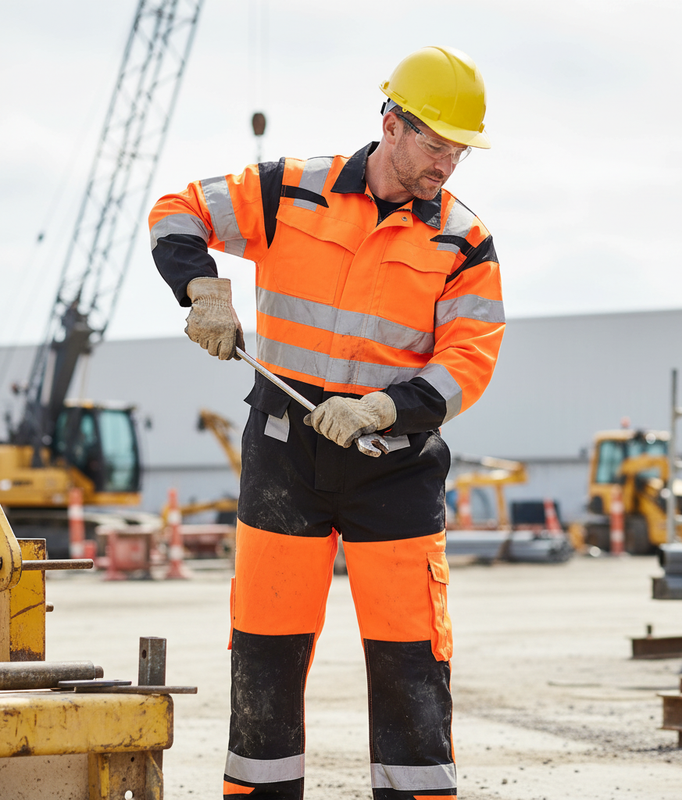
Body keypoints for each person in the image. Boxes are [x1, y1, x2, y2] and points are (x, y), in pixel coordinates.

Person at [149, 45, 504, 800]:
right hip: (285, 457)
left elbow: (469, 357)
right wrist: (203, 292)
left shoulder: (463, 240)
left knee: (412, 659)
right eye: (435, 144)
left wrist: (385, 406)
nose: (447, 164)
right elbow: (176, 210)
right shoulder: (289, 191)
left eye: (459, 150)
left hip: (397, 466)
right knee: (266, 654)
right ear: (390, 124)